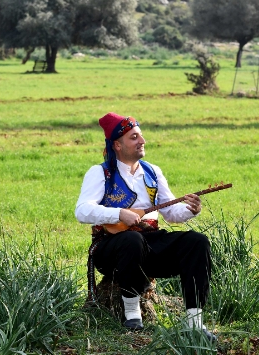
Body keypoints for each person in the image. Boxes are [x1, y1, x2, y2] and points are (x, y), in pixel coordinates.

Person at [76, 112, 215, 340]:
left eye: (140, 136)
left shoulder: (152, 172)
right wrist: (119, 214)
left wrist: (190, 210)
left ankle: (194, 322)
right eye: (134, 137)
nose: (142, 141)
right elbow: (82, 211)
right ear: (117, 145)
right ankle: (132, 314)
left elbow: (171, 213)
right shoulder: (101, 173)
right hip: (111, 248)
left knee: (196, 242)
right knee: (132, 240)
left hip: (148, 243)